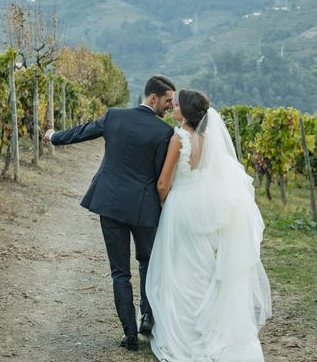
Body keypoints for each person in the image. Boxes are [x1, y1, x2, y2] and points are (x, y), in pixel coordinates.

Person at [44, 75, 175, 351]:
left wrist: (54, 137)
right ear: (153, 98)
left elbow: (83, 131)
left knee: (119, 272)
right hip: (143, 208)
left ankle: (129, 335)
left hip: (111, 204)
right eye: (167, 100)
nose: (170, 106)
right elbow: (159, 176)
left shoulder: (115, 117)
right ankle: (148, 317)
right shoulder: (163, 132)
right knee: (147, 263)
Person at [146, 89, 272, 361]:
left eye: (177, 104)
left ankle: (185, 329)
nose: (173, 107)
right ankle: (208, 324)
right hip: (200, 208)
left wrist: (162, 203)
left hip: (179, 207)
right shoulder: (207, 138)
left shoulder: (178, 138)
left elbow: (163, 183)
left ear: (186, 111)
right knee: (201, 266)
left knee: (178, 268)